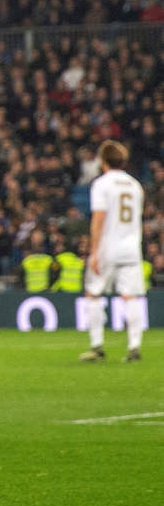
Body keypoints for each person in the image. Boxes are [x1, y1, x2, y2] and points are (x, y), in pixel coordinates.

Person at [80, 140, 147, 362]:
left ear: (103, 160)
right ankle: (134, 347)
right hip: (131, 248)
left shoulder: (102, 184)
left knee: (94, 294)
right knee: (130, 297)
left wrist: (94, 251)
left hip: (109, 247)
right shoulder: (135, 185)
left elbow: (99, 218)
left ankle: (97, 346)